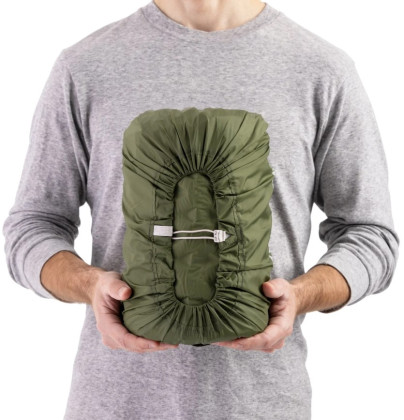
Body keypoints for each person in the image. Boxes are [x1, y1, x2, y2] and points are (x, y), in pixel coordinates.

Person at [2, 0, 400, 419]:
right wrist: (89, 285)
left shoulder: (322, 70)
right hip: (115, 404)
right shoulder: (85, 67)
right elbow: (33, 225)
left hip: (261, 405)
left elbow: (370, 235)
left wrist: (301, 295)